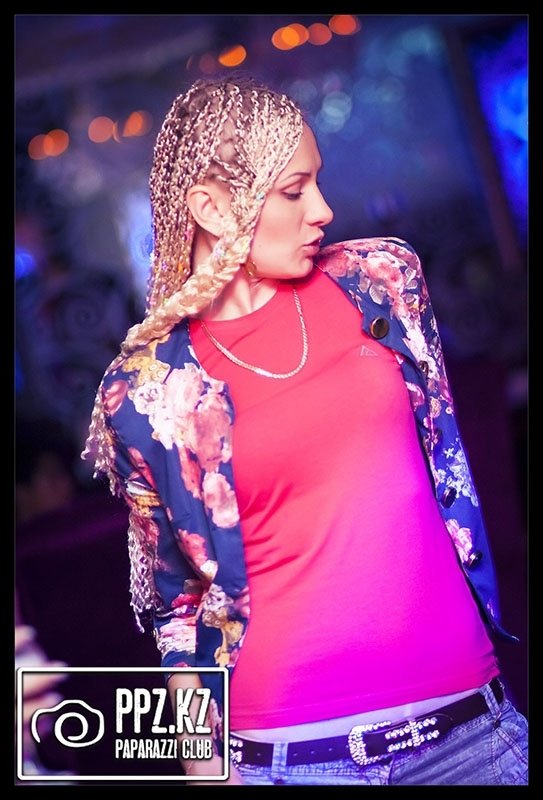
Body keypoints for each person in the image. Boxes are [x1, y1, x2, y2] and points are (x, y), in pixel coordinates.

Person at [82, 75, 528, 786]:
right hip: (289, 762)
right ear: (211, 208)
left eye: (316, 182)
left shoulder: (380, 281)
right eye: (293, 191)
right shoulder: (146, 390)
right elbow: (177, 609)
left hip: (470, 739)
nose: (322, 209)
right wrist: (201, 766)